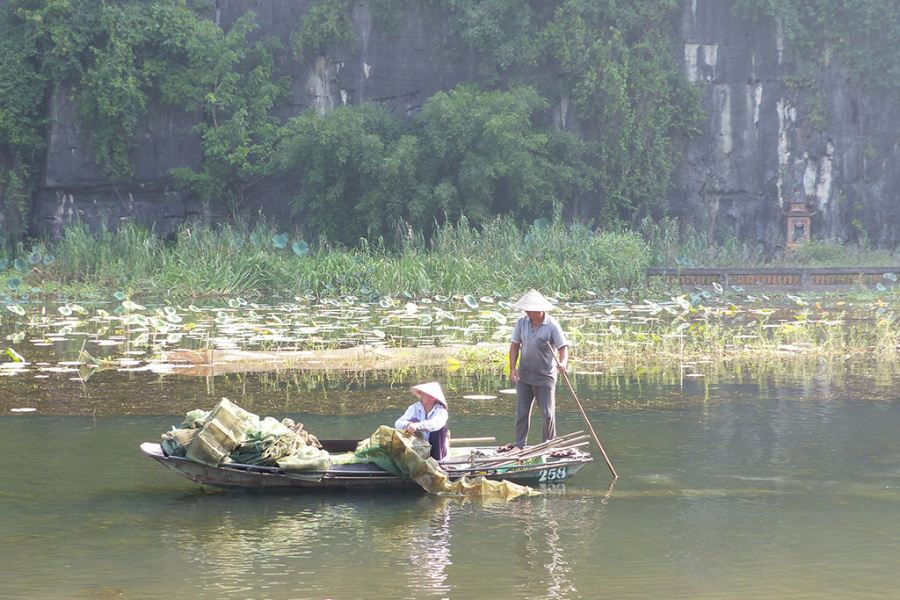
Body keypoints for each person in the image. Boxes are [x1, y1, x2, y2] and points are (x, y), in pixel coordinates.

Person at [508, 289, 569, 449]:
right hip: (524, 376)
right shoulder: (521, 323)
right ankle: (519, 445)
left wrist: (563, 363)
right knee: (521, 413)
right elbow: (515, 346)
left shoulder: (551, 325)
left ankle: (548, 446)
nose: (528, 312)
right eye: (526, 309)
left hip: (545, 377)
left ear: (541, 309)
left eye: (531, 309)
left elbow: (563, 347)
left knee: (548, 415)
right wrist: (512, 368)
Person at [395, 382, 450, 460]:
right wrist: (409, 424)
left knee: (440, 429)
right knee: (413, 421)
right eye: (421, 394)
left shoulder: (441, 411)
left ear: (432, 397)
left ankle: (439, 464)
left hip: (436, 451)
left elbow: (436, 424)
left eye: (424, 394)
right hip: (419, 450)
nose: (421, 397)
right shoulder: (414, 408)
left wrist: (417, 426)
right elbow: (398, 423)